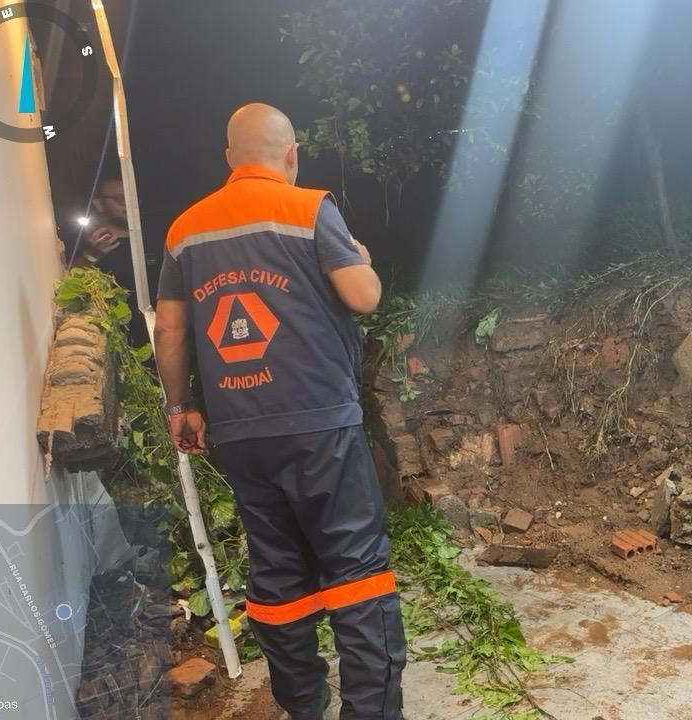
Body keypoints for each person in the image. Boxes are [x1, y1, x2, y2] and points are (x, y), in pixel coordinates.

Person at [154, 103, 406, 720]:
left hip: (239, 432)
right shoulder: (308, 207)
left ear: (230, 160)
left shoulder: (185, 229)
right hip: (321, 425)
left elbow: (170, 328)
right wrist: (358, 256)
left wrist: (180, 407)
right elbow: (364, 296)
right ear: (290, 155)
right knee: (358, 572)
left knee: (279, 576)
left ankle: (302, 706)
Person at [76, 176, 155, 346]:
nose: (128, 203)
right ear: (99, 204)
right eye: (120, 198)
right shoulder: (91, 246)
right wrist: (91, 255)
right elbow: (72, 285)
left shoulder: (155, 240)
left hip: (162, 339)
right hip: (120, 347)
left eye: (132, 197)